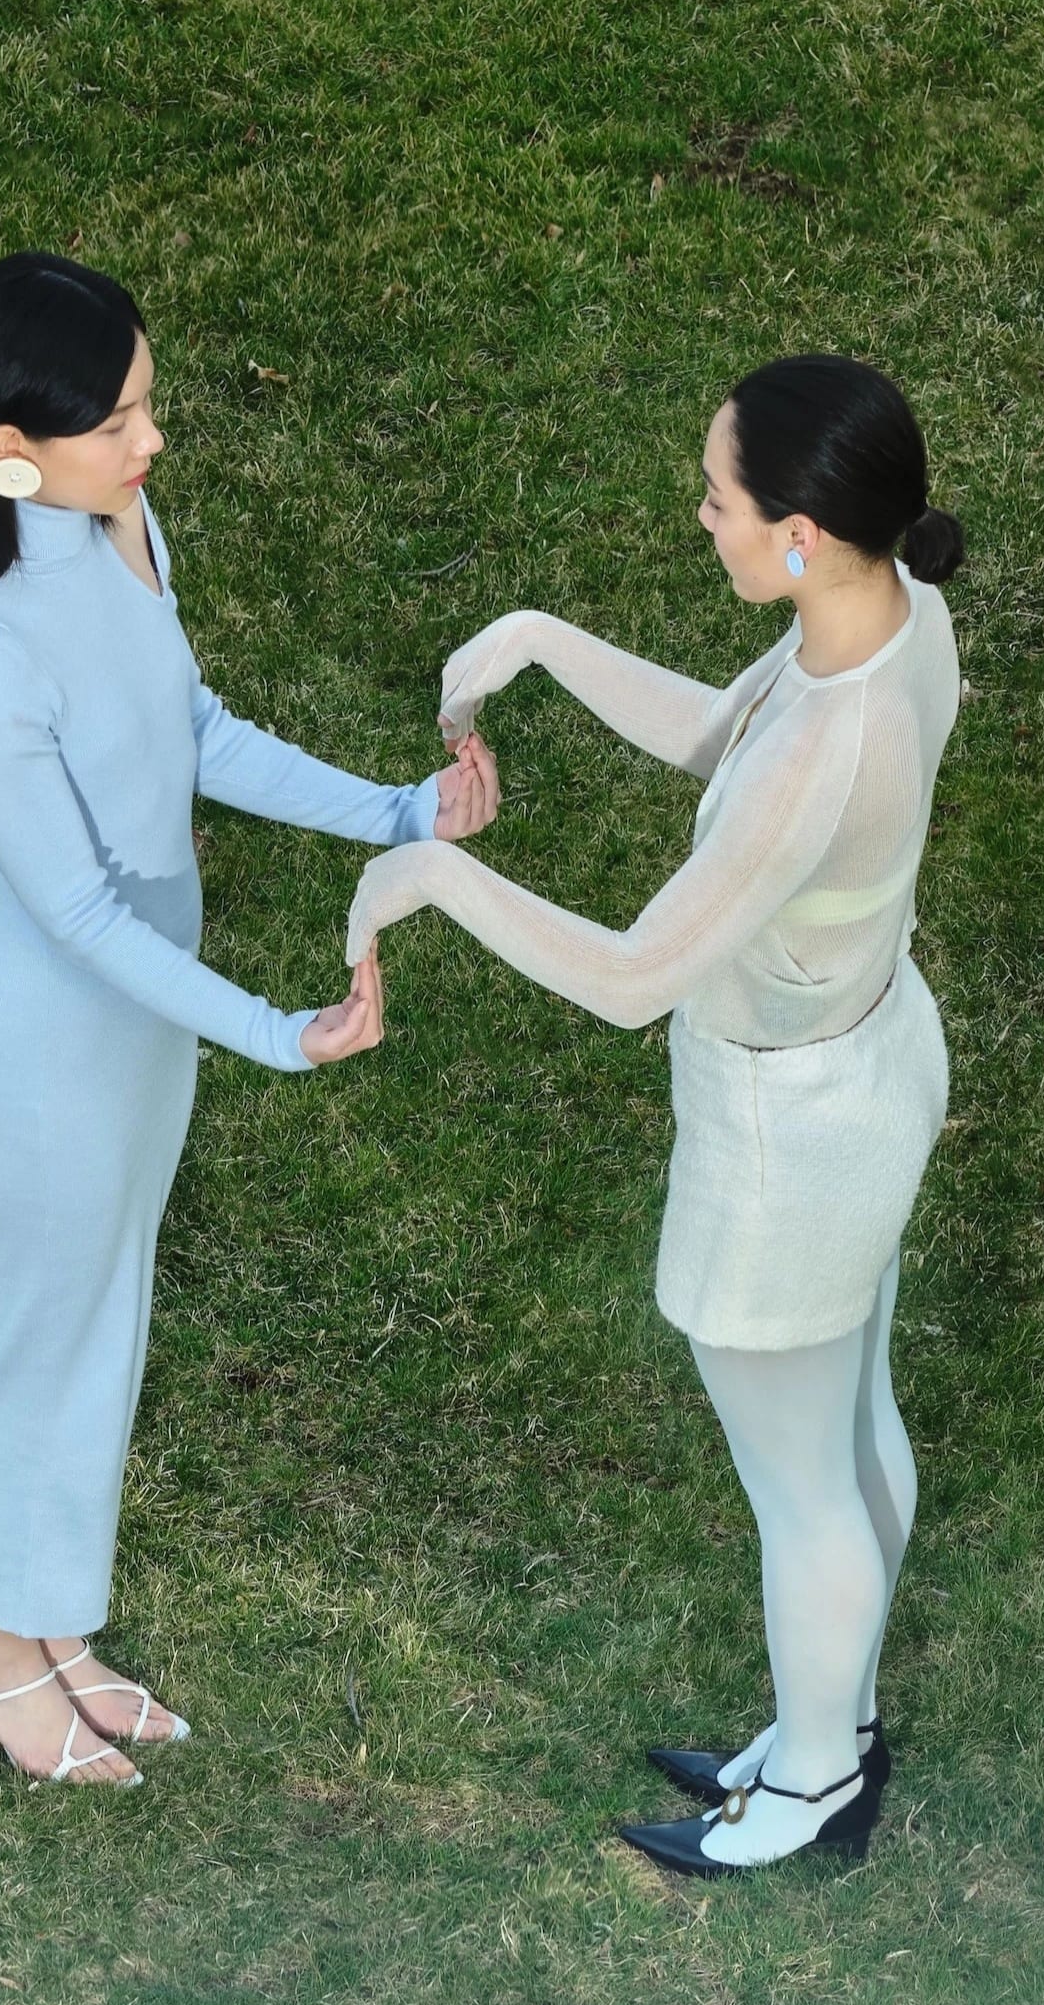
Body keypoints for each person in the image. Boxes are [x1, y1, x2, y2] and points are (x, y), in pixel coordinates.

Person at [347, 355, 962, 1875]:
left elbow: (634, 977)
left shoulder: (826, 749)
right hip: (869, 1072)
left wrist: (428, 876)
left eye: (716, 499)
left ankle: (817, 1781)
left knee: (802, 1482)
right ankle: (839, 1722)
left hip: (790, 1146)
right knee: (852, 1423)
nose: (702, 520)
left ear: (802, 532)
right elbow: (729, 735)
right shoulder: (889, 623)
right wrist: (544, 644)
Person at [0, 254, 500, 1786]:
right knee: (30, 1333)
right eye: (122, 421)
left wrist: (399, 812)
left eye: (149, 404)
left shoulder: (119, 525)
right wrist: (276, 1029)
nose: (153, 441)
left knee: (103, 1322)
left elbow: (194, 733)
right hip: (39, 1044)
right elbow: (84, 916)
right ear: (11, 455)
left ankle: (47, 1629)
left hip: (136, 1025)